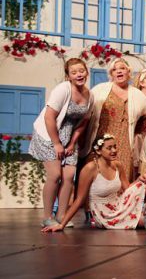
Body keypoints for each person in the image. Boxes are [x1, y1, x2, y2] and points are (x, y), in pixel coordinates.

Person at [29, 58, 93, 228]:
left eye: (81, 71)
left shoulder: (89, 95)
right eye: (74, 72)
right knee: (55, 175)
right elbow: (49, 117)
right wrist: (57, 143)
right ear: (68, 76)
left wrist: (72, 143)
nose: (79, 74)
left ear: (86, 72)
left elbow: (84, 123)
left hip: (69, 136)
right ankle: (47, 216)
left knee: (69, 176)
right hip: (49, 134)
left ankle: (62, 215)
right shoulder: (62, 89)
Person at [41, 134, 146, 232]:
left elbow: (128, 189)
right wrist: (62, 225)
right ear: (98, 151)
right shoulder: (90, 169)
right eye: (109, 148)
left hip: (119, 205)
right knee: (143, 221)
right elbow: (79, 200)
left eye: (115, 146)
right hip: (105, 215)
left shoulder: (117, 165)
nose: (114, 150)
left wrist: (139, 180)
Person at [83, 58, 146, 182]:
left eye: (122, 68)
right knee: (96, 178)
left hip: (124, 143)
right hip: (100, 141)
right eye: (114, 69)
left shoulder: (139, 96)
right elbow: (86, 113)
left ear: (129, 72)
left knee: (121, 179)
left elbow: (144, 120)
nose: (118, 71)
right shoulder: (99, 90)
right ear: (111, 74)